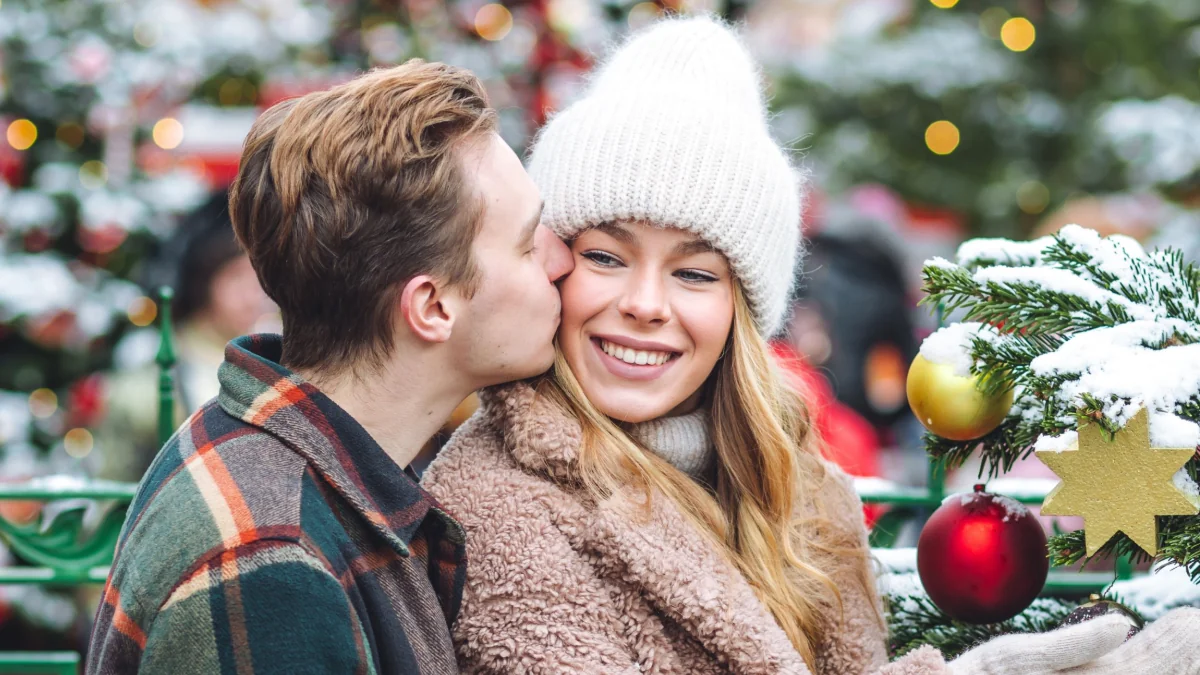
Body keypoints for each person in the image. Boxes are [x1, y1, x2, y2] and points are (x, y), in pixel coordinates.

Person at [421, 16, 1200, 674]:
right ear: (552, 262)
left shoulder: (800, 487)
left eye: (695, 273)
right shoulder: (496, 501)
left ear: (743, 307)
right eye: (605, 256)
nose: (645, 305)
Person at [86, 60, 572, 674]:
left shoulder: (287, 466)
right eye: (528, 243)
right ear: (432, 305)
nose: (560, 259)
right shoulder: (273, 569)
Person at [94, 189, 274, 483]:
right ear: (204, 281)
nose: (253, 295)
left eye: (259, 278)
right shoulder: (149, 382)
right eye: (237, 277)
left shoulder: (271, 361)